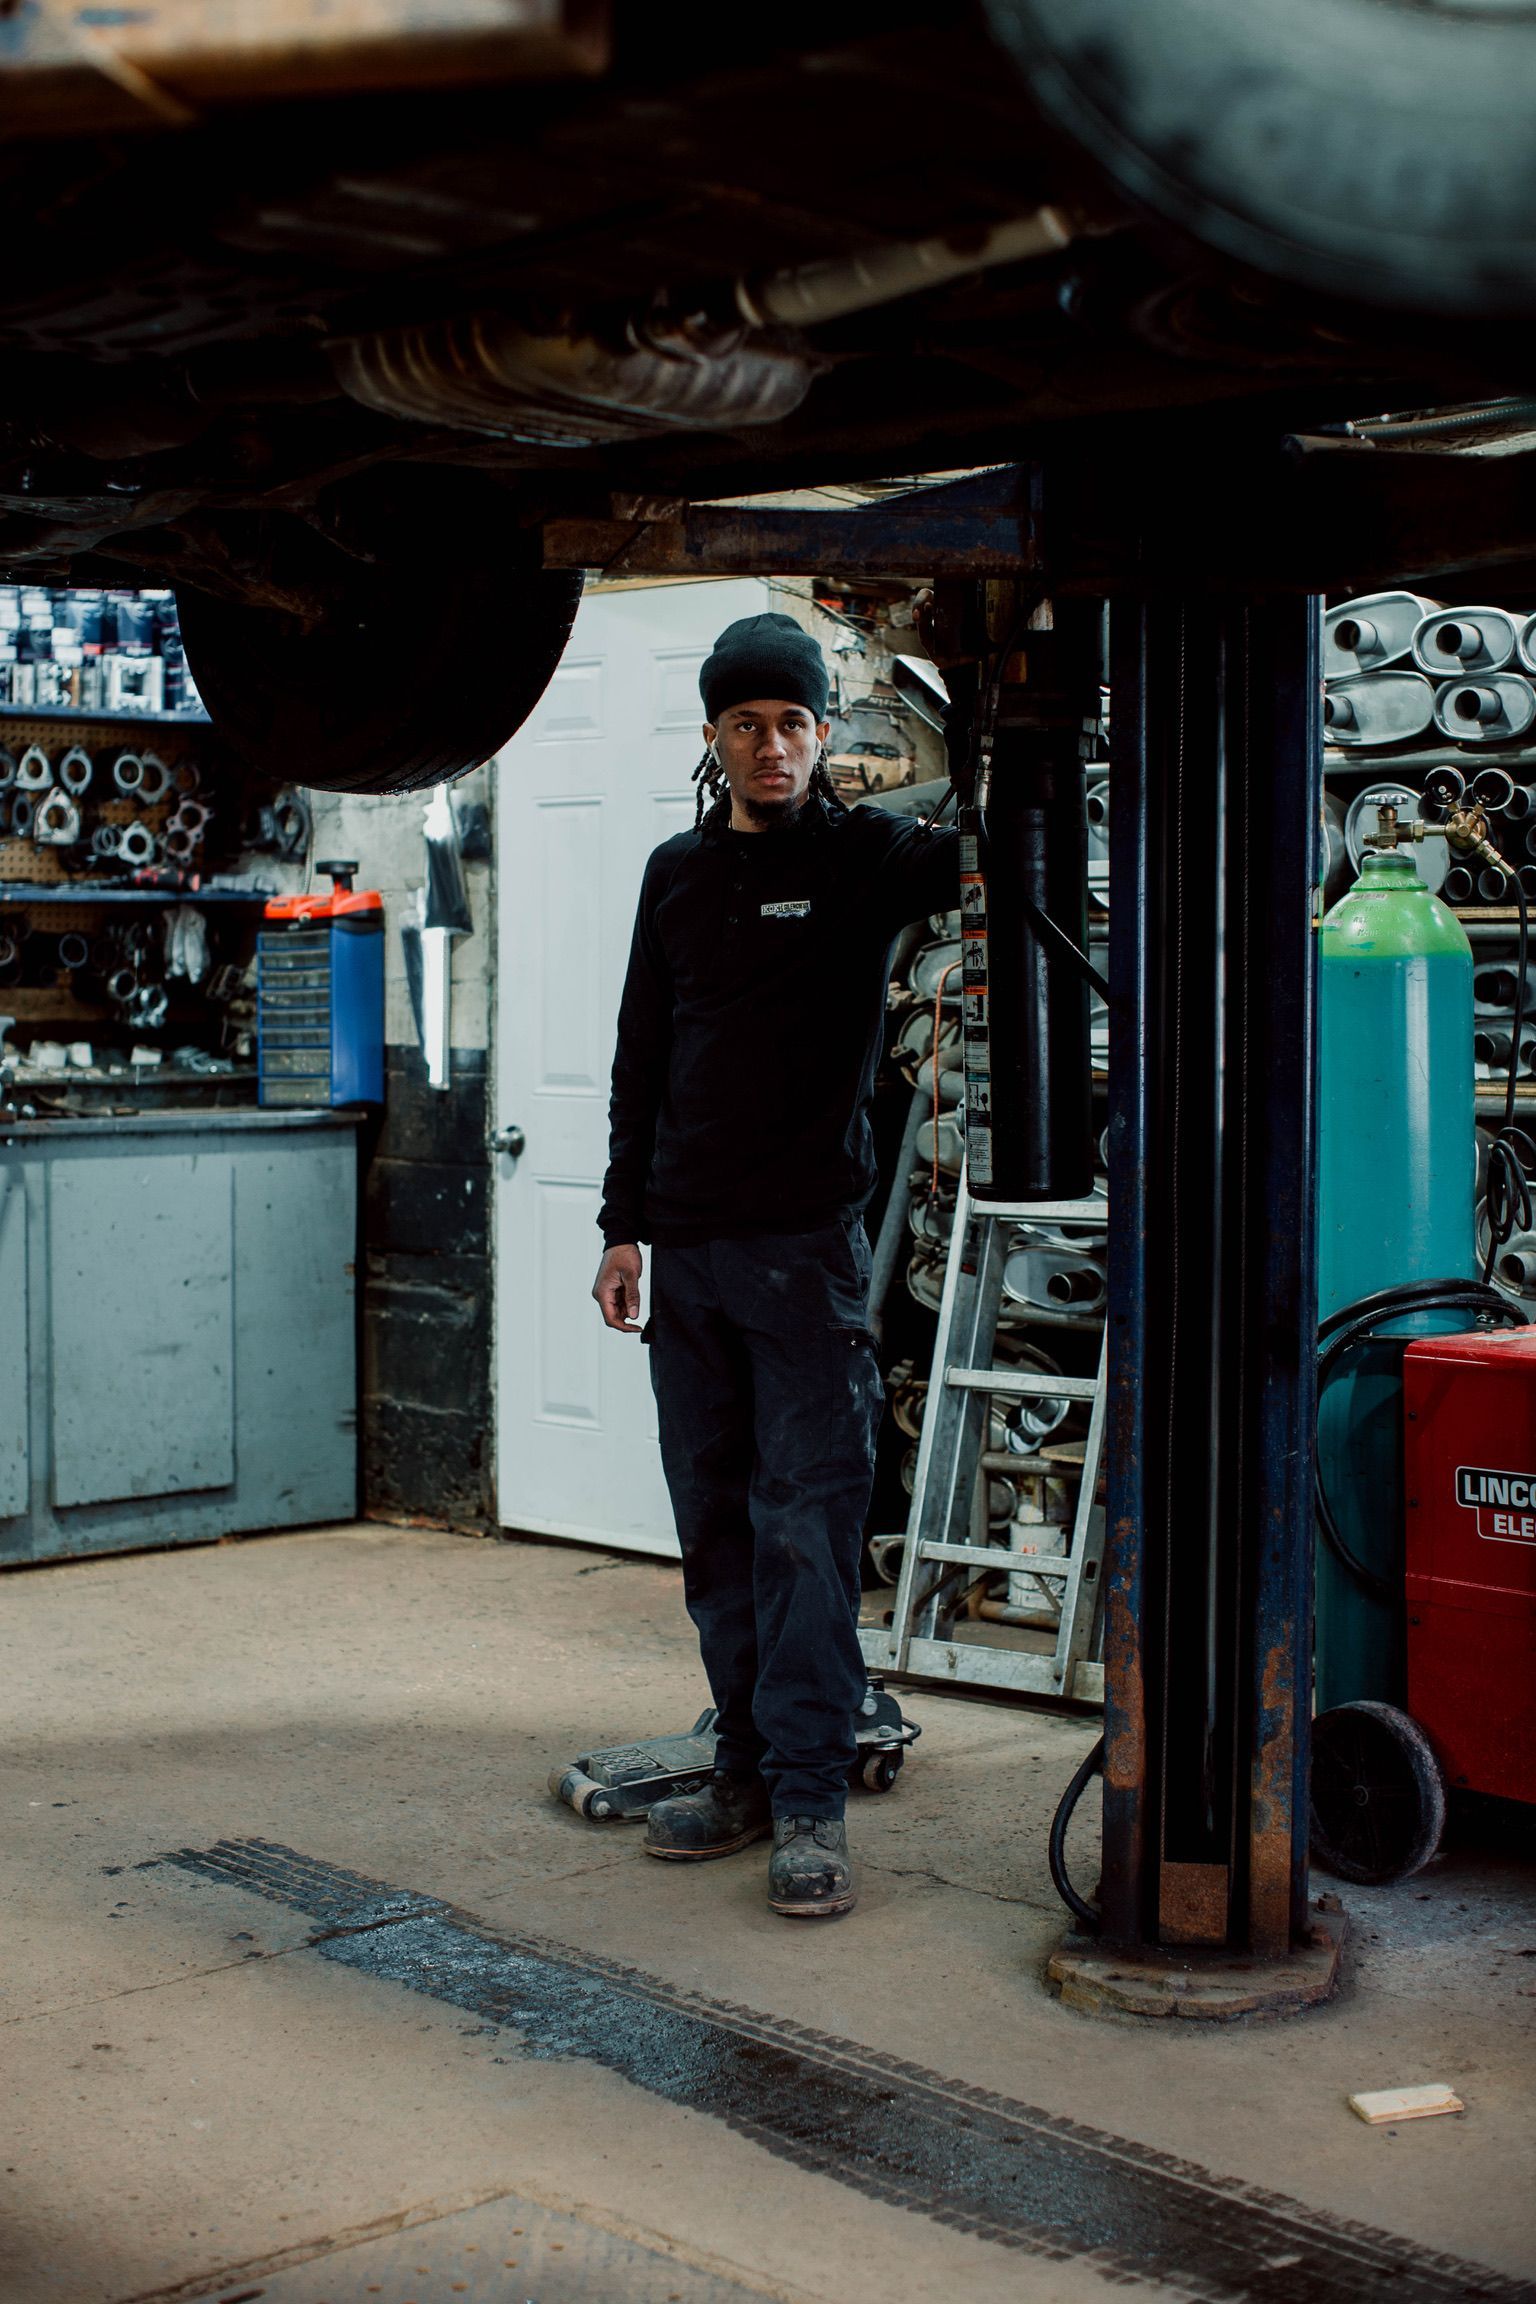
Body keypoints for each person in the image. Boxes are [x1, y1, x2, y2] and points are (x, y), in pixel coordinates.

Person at [592, 610, 958, 1919]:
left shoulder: (869, 861)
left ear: (822, 736)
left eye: (794, 722)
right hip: (684, 1256)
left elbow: (998, 850)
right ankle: (744, 1768)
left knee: (806, 1529)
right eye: (746, 723)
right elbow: (642, 1054)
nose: (771, 744)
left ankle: (810, 1798)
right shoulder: (675, 876)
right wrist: (620, 1225)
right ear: (715, 736)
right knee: (717, 1529)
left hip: (805, 1259)